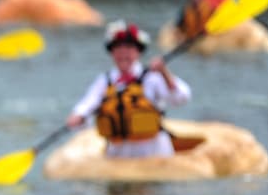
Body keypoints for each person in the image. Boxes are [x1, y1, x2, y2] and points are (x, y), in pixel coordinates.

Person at [65, 21, 192, 158]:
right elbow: (87, 104)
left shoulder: (152, 76)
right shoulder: (105, 81)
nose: (123, 53)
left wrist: (164, 72)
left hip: (153, 151)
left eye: (129, 48)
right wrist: (78, 116)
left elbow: (181, 98)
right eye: (118, 49)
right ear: (112, 53)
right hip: (119, 151)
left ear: (138, 52)